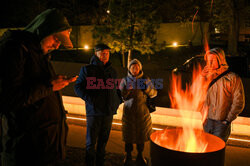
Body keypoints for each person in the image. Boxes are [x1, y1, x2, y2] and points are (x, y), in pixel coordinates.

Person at [0, 8, 77, 166]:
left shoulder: (39, 54)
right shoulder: (15, 49)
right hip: (27, 154)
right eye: (56, 38)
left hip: (47, 151)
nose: (57, 46)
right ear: (43, 30)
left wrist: (55, 83)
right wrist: (50, 86)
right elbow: (9, 99)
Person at [74, 43, 122, 166]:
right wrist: (91, 100)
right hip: (94, 112)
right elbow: (78, 87)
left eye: (107, 53)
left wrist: (117, 101)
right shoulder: (87, 70)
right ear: (96, 53)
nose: (105, 55)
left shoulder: (112, 71)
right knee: (91, 143)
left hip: (108, 112)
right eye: (103, 53)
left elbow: (116, 89)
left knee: (103, 142)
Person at [201, 48, 245, 142]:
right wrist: (201, 78)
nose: (210, 63)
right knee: (205, 148)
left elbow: (238, 102)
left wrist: (227, 120)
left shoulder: (232, 78)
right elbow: (195, 95)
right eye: (208, 61)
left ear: (220, 60)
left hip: (221, 123)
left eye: (213, 60)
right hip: (207, 121)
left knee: (217, 150)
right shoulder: (206, 77)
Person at [119, 59, 157, 166]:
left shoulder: (145, 79)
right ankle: (128, 156)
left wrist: (147, 89)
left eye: (137, 67)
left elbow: (154, 93)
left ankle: (140, 155)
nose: (135, 69)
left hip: (142, 113)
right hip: (128, 113)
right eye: (132, 67)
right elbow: (121, 96)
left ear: (140, 68)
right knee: (128, 136)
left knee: (141, 135)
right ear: (129, 69)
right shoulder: (125, 80)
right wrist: (127, 90)